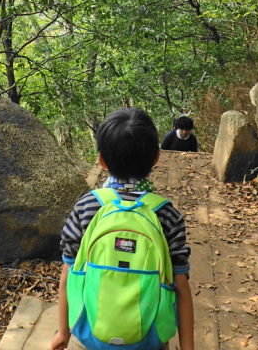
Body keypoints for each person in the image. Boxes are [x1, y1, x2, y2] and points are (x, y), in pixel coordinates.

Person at [51, 107, 194, 350]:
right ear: (156, 158)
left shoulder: (87, 207)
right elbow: (181, 287)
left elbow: (68, 274)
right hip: (151, 338)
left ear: (101, 160)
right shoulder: (167, 214)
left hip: (90, 336)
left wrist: (63, 333)